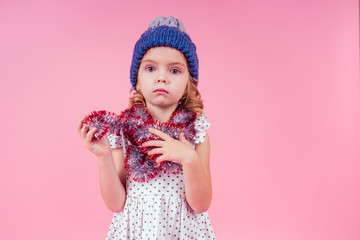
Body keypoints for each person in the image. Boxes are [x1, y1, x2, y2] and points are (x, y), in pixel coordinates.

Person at [77, 16, 215, 239]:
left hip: (181, 231)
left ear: (189, 82)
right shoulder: (124, 131)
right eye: (150, 68)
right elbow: (116, 203)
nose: (162, 77)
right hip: (137, 230)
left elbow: (200, 205)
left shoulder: (196, 132)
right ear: (137, 79)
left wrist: (188, 157)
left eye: (174, 71)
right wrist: (103, 158)